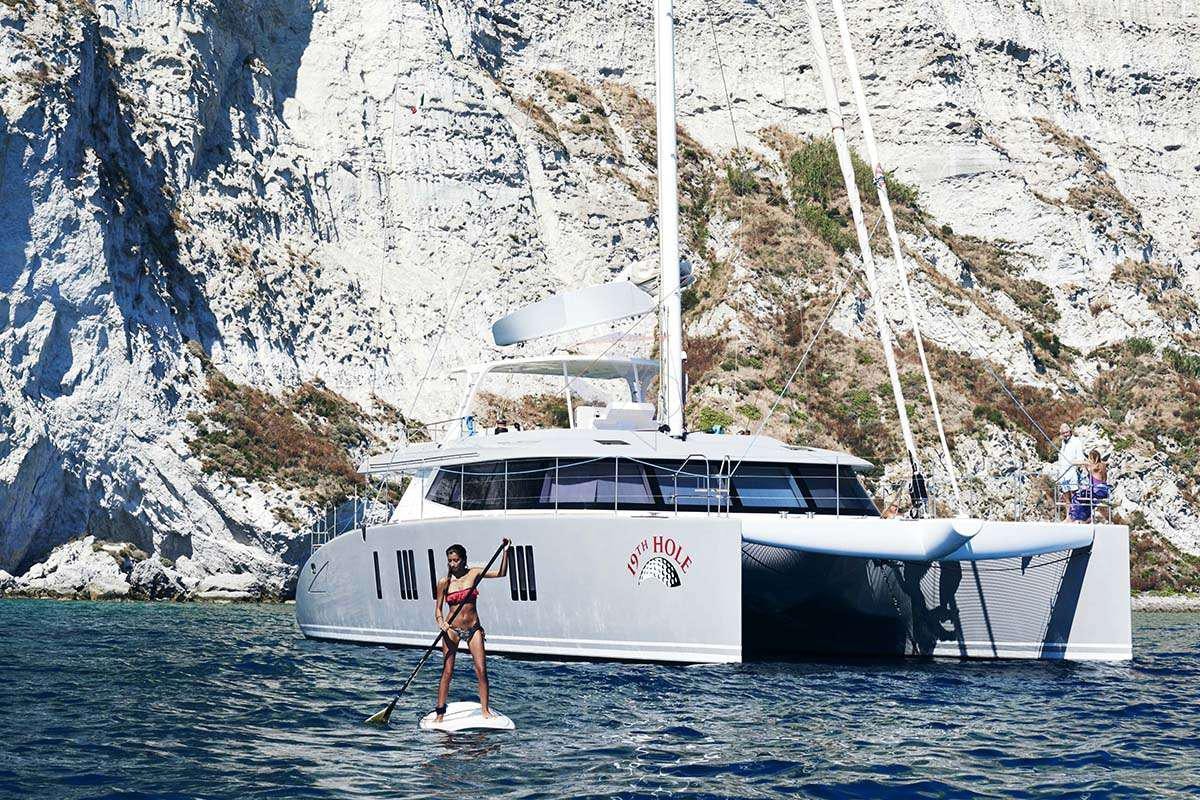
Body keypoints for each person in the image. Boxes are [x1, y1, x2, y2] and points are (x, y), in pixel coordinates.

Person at [433, 541, 509, 722]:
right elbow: (437, 609)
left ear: (463, 560)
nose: (452, 564)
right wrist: (441, 622)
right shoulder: (444, 582)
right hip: (452, 629)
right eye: (450, 561)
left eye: (456, 560)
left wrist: (506, 552)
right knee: (448, 671)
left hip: (473, 628)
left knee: (481, 670)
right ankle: (440, 713)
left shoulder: (474, 573)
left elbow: (501, 573)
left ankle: (485, 710)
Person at [1055, 424, 1086, 519]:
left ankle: (1076, 516)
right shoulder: (1063, 443)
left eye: (1067, 432)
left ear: (1070, 431)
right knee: (1066, 498)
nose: (1065, 434)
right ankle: (1068, 516)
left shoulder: (1076, 441)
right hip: (1063, 473)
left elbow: (1080, 458)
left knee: (1074, 496)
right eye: (1063, 433)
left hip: (1072, 472)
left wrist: (1074, 463)